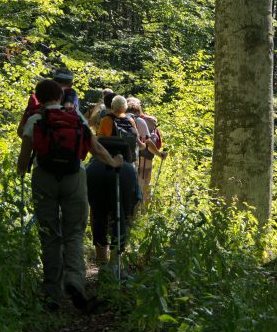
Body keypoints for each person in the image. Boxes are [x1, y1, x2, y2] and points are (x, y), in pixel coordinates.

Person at [17, 79, 122, 310]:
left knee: (50, 233)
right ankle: (75, 282)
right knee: (74, 232)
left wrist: (21, 172)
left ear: (40, 98)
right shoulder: (77, 119)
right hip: (74, 177)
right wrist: (113, 162)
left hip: (44, 177)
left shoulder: (36, 119)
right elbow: (96, 148)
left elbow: (24, 158)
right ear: (59, 97)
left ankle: (52, 293)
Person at [87, 95, 140, 268]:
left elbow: (98, 141)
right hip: (125, 162)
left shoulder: (105, 119)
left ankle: (101, 260)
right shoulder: (131, 121)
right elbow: (136, 143)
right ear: (124, 108)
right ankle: (116, 261)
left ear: (112, 107)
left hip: (101, 162)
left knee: (98, 212)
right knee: (122, 213)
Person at [128, 97, 167, 206]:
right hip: (146, 160)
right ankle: (142, 213)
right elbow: (149, 143)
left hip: (130, 159)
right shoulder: (146, 121)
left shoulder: (121, 119)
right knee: (144, 187)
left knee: (133, 187)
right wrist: (160, 155)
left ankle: (134, 214)